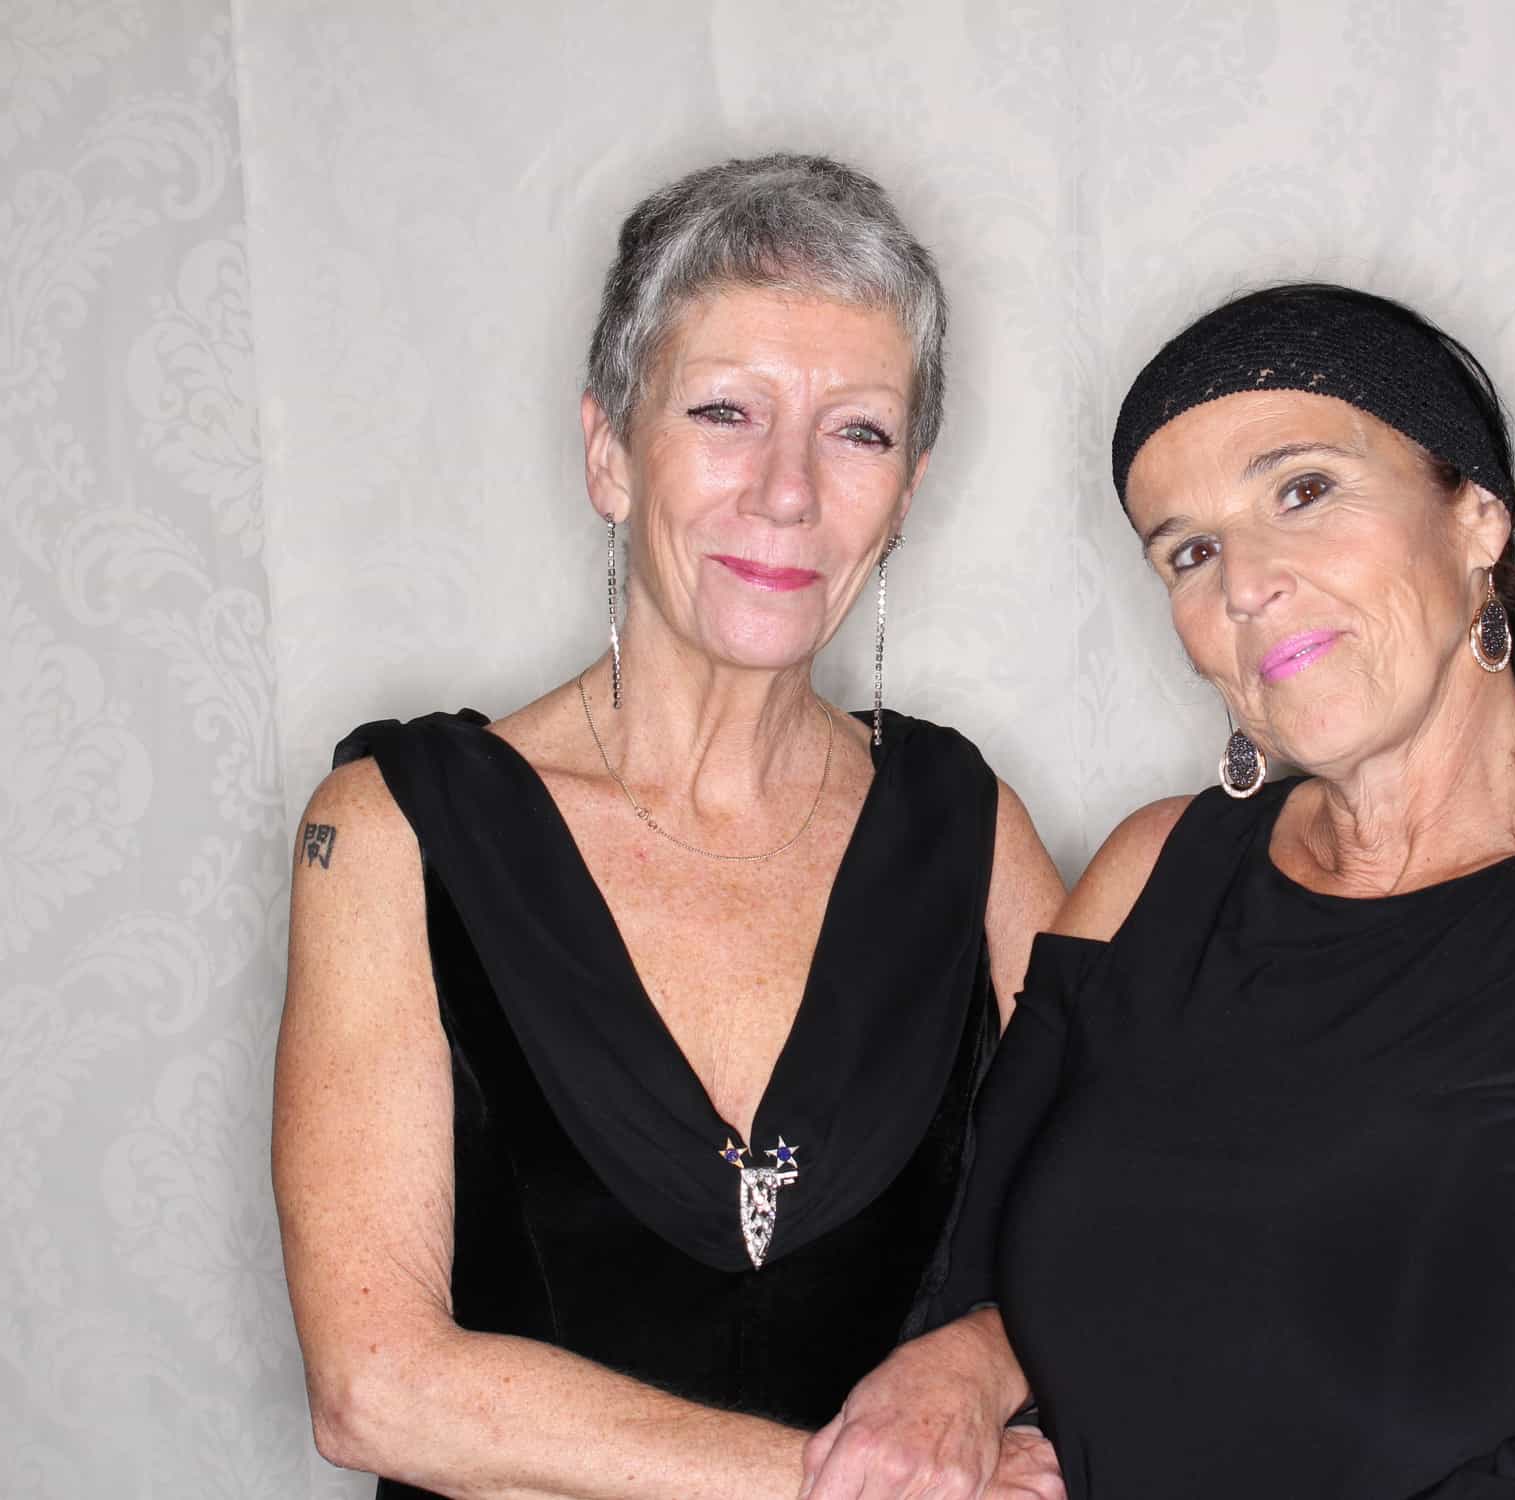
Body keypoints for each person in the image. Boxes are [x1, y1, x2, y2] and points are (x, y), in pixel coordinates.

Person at [804, 284, 1515, 1499]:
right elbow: (986, 1269)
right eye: (1189, 552)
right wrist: (967, 1368)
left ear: (1478, 517)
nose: (1245, 583)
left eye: (1303, 491)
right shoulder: (1146, 876)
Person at [272, 153, 1066, 1500]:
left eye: (858, 432)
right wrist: (864, 1488)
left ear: (907, 490)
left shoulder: (968, 826)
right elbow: (377, 1388)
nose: (788, 490)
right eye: (724, 412)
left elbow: (1131, 1220)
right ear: (608, 454)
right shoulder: (390, 828)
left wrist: (974, 1369)